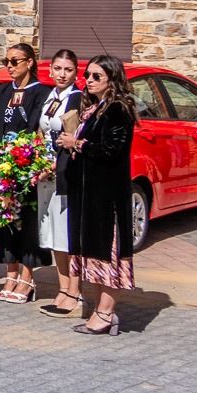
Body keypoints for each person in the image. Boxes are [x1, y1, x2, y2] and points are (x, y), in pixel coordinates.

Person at [58, 54, 137, 336]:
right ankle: (98, 310)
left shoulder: (118, 109)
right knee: (91, 254)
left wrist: (77, 143)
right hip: (88, 193)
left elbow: (111, 150)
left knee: (107, 256)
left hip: (107, 196)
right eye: (87, 76)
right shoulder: (95, 107)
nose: (88, 81)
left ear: (112, 80)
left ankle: (106, 312)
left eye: (96, 77)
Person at [0, 42, 53, 303]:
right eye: (7, 62)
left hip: (25, 168)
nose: (10, 67)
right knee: (4, 220)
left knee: (26, 221)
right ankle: (10, 273)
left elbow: (38, 128)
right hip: (2, 168)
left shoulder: (41, 93)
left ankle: (27, 277)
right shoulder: (1, 92)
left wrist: (21, 159)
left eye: (15, 61)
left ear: (30, 62)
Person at [36, 49, 85, 318]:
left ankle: (73, 291)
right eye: (57, 69)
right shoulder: (50, 96)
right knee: (53, 232)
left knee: (67, 234)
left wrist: (52, 165)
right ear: (51, 70)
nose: (62, 74)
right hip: (44, 172)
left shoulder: (75, 98)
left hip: (63, 172)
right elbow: (41, 131)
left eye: (67, 70)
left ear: (75, 73)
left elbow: (72, 138)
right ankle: (62, 286)